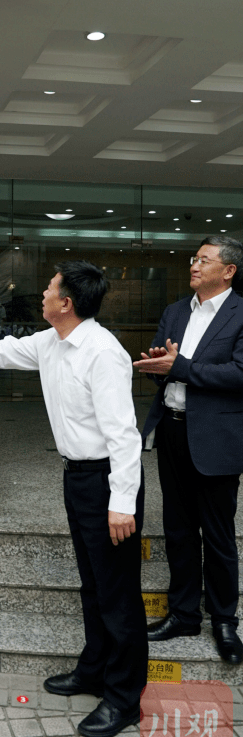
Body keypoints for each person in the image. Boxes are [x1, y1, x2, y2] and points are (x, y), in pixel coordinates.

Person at [0, 260, 146, 737]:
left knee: (117, 595)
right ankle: (92, 669)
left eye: (49, 287)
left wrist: (123, 501)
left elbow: (124, 435)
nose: (42, 294)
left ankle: (124, 699)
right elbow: (1, 350)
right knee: (93, 586)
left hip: (106, 483)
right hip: (77, 478)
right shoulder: (52, 342)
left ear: (67, 302)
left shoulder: (102, 352)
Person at [135, 236, 243, 664]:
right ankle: (182, 614)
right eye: (194, 258)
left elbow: (239, 373)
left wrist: (179, 367)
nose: (194, 265)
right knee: (178, 529)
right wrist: (158, 366)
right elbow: (167, 370)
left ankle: (223, 620)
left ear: (229, 270)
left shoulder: (240, 313)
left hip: (216, 439)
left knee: (217, 534)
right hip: (173, 432)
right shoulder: (176, 311)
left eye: (204, 260)